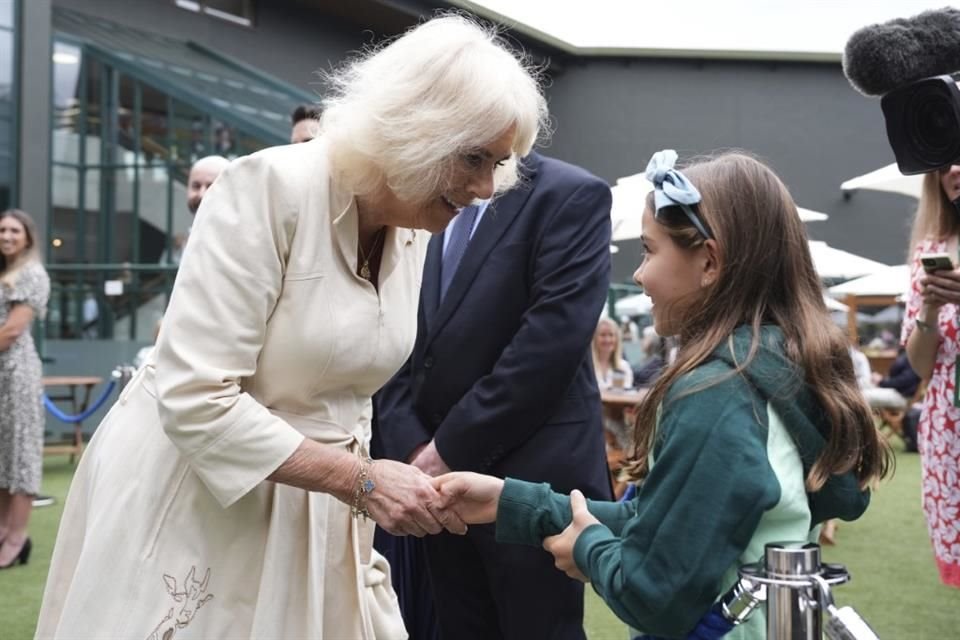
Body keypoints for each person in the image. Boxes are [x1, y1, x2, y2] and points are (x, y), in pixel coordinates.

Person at [35, 15, 548, 639]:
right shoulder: (267, 187)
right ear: (414, 129)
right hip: (204, 496)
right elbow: (196, 396)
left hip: (322, 508)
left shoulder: (415, 224)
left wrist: (384, 480)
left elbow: (350, 391)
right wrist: (360, 479)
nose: (486, 187)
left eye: (499, 162)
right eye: (473, 157)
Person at [432, 150, 892, 639]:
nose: (639, 274)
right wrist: (510, 502)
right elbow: (660, 520)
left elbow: (652, 593)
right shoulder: (781, 371)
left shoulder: (717, 394)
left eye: (650, 251)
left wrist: (589, 547)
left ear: (709, 261)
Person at [372, 146, 613, 637]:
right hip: (434, 487)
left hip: (533, 480)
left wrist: (443, 452)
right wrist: (413, 446)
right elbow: (390, 328)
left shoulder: (569, 194)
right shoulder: (418, 197)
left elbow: (548, 346)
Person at [901, 162, 960, 589]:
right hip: (948, 436)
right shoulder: (931, 248)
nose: (953, 168)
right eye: (941, 163)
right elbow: (922, 367)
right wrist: (930, 308)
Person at [0, 209, 51, 570]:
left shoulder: (31, 274)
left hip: (16, 374)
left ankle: (17, 537)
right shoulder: (4, 274)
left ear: (28, 237)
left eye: (14, 230)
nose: (6, 235)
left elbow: (12, 330)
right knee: (3, 456)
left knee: (20, 453)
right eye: (1, 229)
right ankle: (3, 529)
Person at [163, 155, 230, 265]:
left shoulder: (242, 243)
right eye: (196, 186)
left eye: (211, 186)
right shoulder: (191, 239)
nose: (201, 194)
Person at [593, 316, 634, 390]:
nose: (607, 339)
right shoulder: (588, 367)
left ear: (617, 339)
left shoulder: (624, 367)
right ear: (594, 339)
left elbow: (627, 395)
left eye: (611, 335)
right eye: (603, 335)